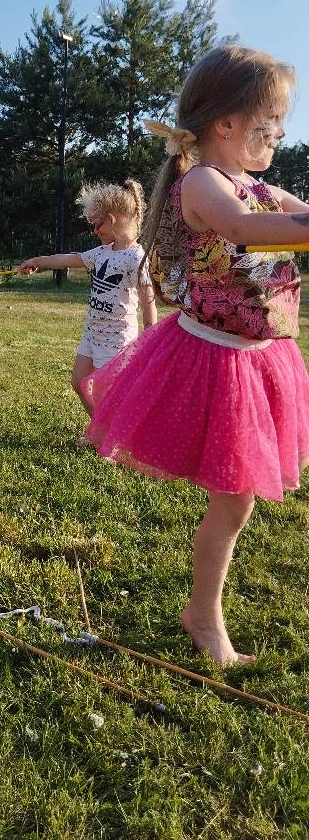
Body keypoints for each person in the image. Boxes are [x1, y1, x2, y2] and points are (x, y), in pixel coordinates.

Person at [84, 44, 309, 666]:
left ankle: (202, 610)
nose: (278, 136)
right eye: (268, 124)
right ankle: (204, 616)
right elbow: (244, 229)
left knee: (236, 499)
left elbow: (294, 214)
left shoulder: (259, 185)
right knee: (234, 496)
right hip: (214, 358)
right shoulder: (206, 183)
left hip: (263, 357)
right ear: (227, 124)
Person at [19, 180, 157, 417]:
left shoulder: (135, 257)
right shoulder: (101, 253)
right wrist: (37, 261)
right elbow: (68, 259)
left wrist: (149, 336)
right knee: (79, 382)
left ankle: (113, 435)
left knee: (109, 391)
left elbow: (148, 298)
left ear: (112, 219)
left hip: (117, 340)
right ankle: (100, 429)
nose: (94, 231)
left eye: (97, 224)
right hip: (92, 333)